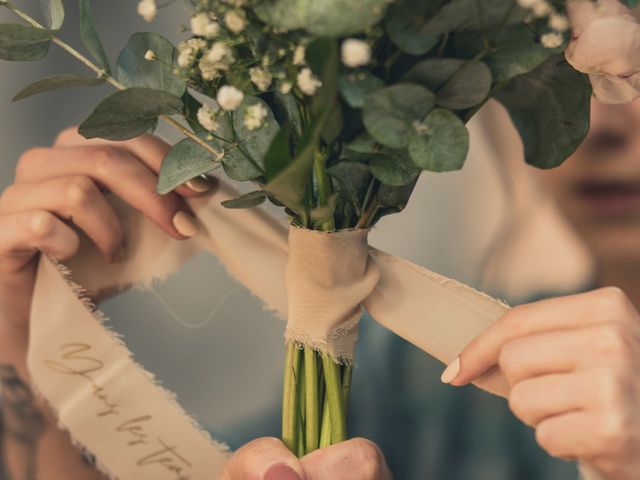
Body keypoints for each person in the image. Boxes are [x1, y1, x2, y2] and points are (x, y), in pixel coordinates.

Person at [0, 97, 639, 480]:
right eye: (567, 66)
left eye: (632, 66)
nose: (604, 125)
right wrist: (19, 328)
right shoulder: (434, 375)